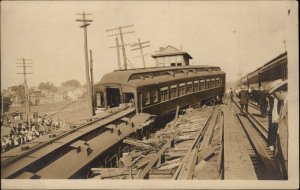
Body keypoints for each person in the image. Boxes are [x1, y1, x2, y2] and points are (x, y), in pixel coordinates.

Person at [268, 79, 288, 179]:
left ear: (280, 91)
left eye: (274, 94)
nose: (274, 97)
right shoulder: (282, 103)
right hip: (281, 142)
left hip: (288, 147)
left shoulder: (290, 105)